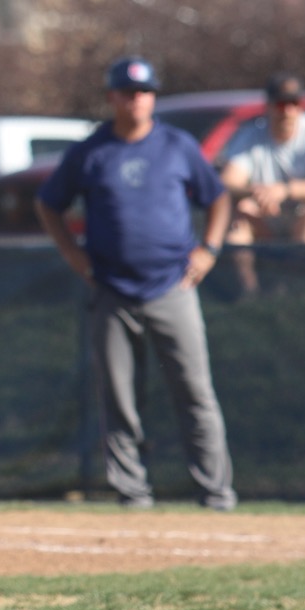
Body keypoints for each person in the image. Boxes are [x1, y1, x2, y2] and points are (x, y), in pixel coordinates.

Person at [36, 56, 237, 510]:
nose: (137, 100)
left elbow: (218, 197)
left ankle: (216, 490)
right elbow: (50, 203)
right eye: (128, 92)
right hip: (112, 288)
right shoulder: (92, 151)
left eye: (145, 92)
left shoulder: (176, 145)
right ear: (112, 98)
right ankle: (132, 491)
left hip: (173, 285)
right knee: (119, 397)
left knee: (195, 392)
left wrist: (210, 248)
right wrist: (72, 253)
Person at [217, 72, 305, 247]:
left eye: (294, 103)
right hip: (267, 216)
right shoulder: (250, 136)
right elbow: (227, 182)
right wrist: (258, 194)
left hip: (304, 216)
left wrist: (285, 190)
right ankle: (239, 274)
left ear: (301, 105)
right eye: (280, 104)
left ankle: (300, 269)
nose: (287, 111)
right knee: (240, 214)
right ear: (268, 105)